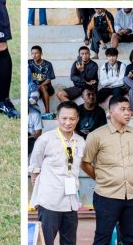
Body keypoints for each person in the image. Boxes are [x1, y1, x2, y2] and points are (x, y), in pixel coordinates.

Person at [81, 95, 133, 245]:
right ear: (110, 112)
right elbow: (85, 163)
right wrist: (101, 178)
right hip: (106, 196)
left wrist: (125, 175)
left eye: (129, 109)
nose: (128, 113)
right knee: (103, 238)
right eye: (122, 109)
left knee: (131, 239)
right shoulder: (96, 135)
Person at [30, 101, 85, 245]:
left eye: (72, 119)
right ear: (57, 118)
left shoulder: (80, 141)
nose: (68, 122)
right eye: (64, 118)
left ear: (77, 119)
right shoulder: (44, 140)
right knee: (46, 241)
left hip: (71, 202)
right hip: (50, 202)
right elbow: (35, 170)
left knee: (69, 241)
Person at [29, 45, 56, 113]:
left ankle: (47, 111)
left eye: (36, 53)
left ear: (41, 53)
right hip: (33, 87)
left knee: (42, 87)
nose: (34, 55)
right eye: (32, 53)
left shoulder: (47, 64)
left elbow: (48, 79)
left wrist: (39, 86)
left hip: (46, 88)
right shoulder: (29, 63)